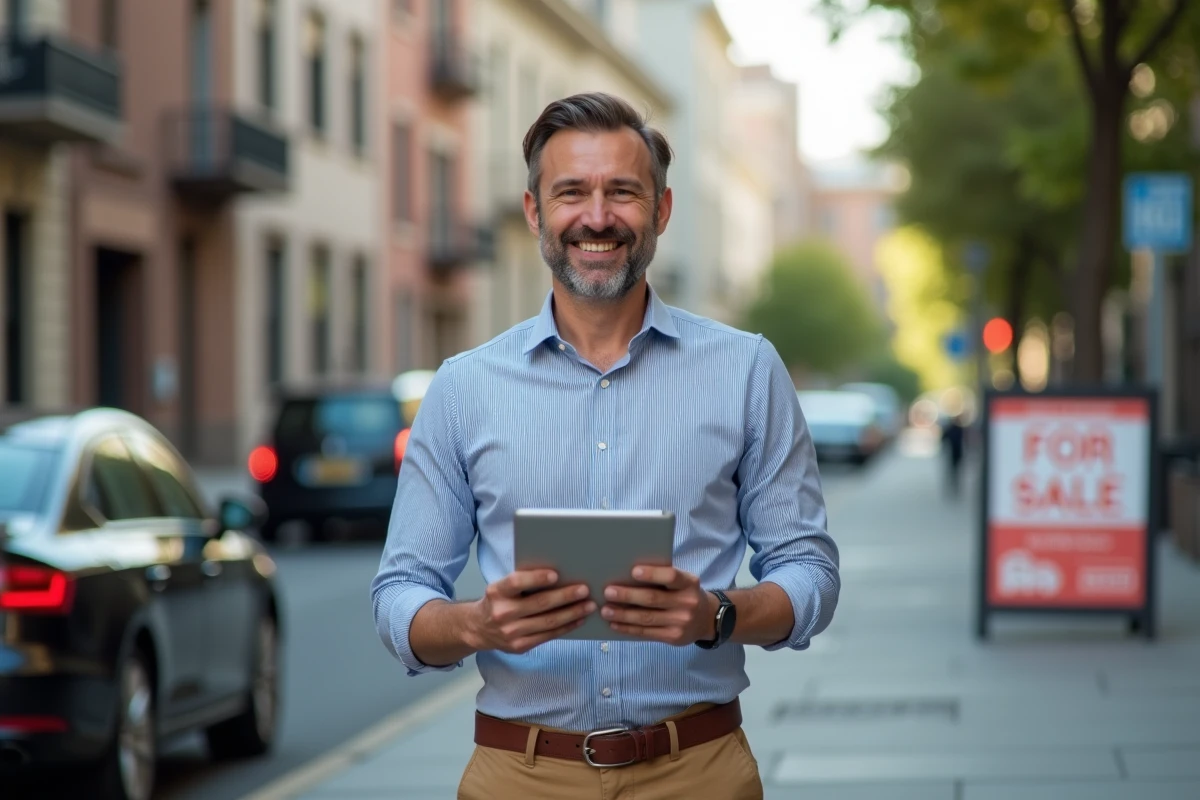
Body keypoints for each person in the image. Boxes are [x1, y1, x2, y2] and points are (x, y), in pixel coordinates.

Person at [371, 92, 840, 800]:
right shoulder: (464, 388)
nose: (596, 217)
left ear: (662, 209)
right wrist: (477, 624)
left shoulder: (747, 370)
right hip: (519, 777)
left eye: (622, 191)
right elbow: (399, 596)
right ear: (535, 212)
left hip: (699, 773)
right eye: (571, 193)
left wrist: (716, 616)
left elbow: (811, 573)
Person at [941, 412, 967, 497]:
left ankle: (954, 485)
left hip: (956, 452)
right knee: (954, 470)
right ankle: (953, 485)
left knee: (955, 470)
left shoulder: (956, 429)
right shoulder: (955, 429)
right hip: (955, 452)